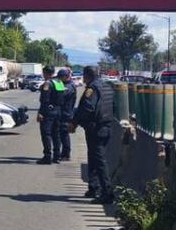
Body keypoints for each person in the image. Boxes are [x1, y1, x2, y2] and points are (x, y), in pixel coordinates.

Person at [72, 66, 116, 203]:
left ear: (87, 76)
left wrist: (74, 123)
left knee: (99, 161)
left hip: (96, 129)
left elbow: (87, 108)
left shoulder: (92, 88)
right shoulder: (107, 86)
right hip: (106, 126)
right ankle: (93, 187)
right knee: (93, 158)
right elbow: (113, 106)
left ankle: (107, 193)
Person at [36, 65, 62, 165]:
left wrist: (41, 113)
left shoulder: (47, 83)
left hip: (48, 111)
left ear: (46, 73)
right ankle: (57, 156)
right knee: (56, 134)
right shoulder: (59, 82)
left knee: (46, 134)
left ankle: (47, 156)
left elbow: (45, 100)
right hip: (58, 110)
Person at [56, 67, 76, 161]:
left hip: (66, 113)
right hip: (63, 112)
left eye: (60, 77)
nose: (59, 79)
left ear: (66, 77)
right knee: (61, 133)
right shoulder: (64, 84)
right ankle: (63, 153)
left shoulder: (69, 86)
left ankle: (66, 154)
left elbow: (61, 94)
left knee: (64, 134)